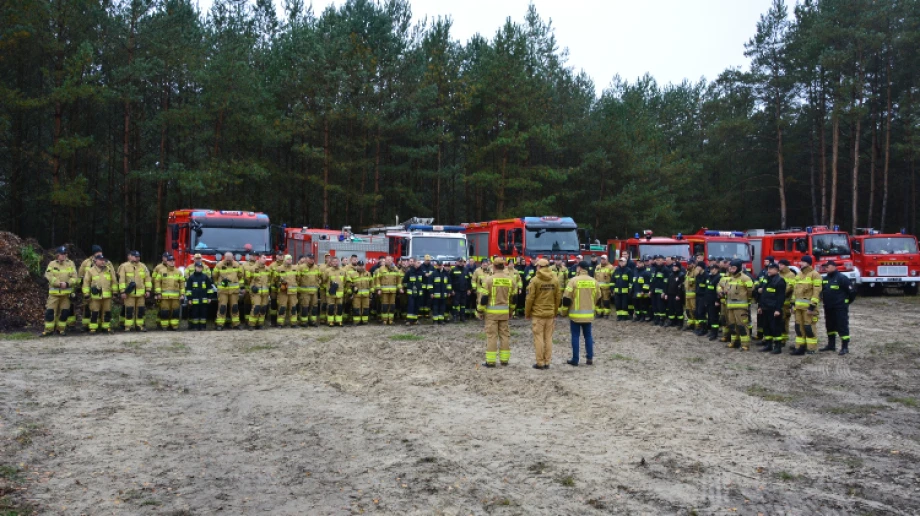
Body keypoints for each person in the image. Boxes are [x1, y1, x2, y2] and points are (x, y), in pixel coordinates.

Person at [524, 258, 561, 370]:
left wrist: (527, 313)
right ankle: (547, 361)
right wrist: (555, 312)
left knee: (539, 338)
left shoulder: (535, 280)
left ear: (539, 267)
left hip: (538, 314)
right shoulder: (555, 280)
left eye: (537, 266)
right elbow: (558, 296)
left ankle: (540, 363)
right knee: (548, 338)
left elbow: (530, 298)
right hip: (550, 314)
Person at [563, 261, 601, 366]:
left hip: (575, 315)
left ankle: (575, 360)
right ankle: (590, 358)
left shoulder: (573, 281)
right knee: (588, 336)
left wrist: (564, 311)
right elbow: (598, 297)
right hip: (588, 315)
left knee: (575, 336)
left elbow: (566, 298)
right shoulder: (594, 281)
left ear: (579, 268)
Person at [480, 257, 514, 367]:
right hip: (505, 313)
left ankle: (490, 361)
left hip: (491, 314)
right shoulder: (510, 280)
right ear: (504, 266)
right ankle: (504, 360)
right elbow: (514, 299)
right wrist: (511, 311)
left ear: (494, 266)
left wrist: (480, 311)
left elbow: (483, 298)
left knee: (492, 336)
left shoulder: (489, 280)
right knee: (504, 336)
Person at [819, 261, 855, 355]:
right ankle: (831, 345)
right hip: (828, 307)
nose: (826, 268)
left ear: (834, 267)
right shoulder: (825, 278)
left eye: (827, 266)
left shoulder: (842, 278)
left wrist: (846, 302)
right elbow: (822, 291)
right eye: (825, 267)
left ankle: (845, 347)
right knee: (829, 326)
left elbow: (852, 292)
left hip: (840, 307)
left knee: (842, 326)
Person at [78, 245, 116, 331]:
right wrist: (83, 288)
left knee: (105, 310)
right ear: (93, 254)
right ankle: (86, 326)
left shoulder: (108, 264)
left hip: (105, 291)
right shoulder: (86, 262)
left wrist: (114, 291)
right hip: (90, 290)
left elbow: (112, 277)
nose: (99, 254)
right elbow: (81, 275)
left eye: (100, 252)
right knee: (88, 309)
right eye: (97, 253)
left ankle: (102, 326)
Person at [42, 246, 78, 336]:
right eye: (62, 254)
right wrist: (59, 283)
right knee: (50, 312)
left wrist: (67, 283)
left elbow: (75, 277)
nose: (64, 256)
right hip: (54, 294)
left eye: (65, 254)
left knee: (64, 313)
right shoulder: (52, 264)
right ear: (57, 255)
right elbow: (48, 276)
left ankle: (61, 330)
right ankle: (48, 330)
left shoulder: (70, 264)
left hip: (66, 294)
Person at [791, 255, 822, 355]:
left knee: (809, 327)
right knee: (798, 327)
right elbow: (794, 291)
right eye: (801, 262)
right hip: (798, 307)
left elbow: (817, 292)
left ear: (808, 263)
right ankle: (800, 347)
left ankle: (811, 348)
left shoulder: (815, 275)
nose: (801, 263)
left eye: (803, 262)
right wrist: (792, 304)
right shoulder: (799, 274)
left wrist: (812, 306)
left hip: (808, 308)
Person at [723, 259, 754, 350]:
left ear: (739, 268)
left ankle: (745, 344)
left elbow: (750, 291)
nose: (731, 270)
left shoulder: (746, 278)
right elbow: (726, 289)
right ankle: (734, 342)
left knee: (742, 325)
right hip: (730, 306)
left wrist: (746, 300)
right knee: (732, 325)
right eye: (730, 268)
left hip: (741, 307)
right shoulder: (731, 278)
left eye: (733, 268)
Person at [118, 250, 152, 332]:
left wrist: (148, 290)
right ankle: (128, 327)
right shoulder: (124, 266)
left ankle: (139, 326)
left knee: (140, 311)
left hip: (141, 294)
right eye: (135, 256)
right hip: (129, 294)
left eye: (138, 256)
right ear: (131, 256)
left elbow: (147, 279)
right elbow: (121, 280)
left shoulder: (143, 267)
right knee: (129, 310)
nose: (137, 258)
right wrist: (122, 292)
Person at [757, 262, 787, 354]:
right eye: (768, 268)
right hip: (765, 308)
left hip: (774, 309)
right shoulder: (767, 279)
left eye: (771, 269)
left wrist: (778, 309)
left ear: (777, 270)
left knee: (776, 328)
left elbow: (781, 297)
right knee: (766, 327)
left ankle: (778, 347)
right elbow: (763, 295)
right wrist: (760, 306)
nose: (769, 270)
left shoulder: (780, 281)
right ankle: (768, 344)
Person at [212, 252, 244, 330]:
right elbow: (214, 276)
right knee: (222, 307)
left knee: (234, 307)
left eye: (230, 259)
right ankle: (220, 324)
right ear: (224, 257)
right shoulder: (219, 265)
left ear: (232, 257)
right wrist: (218, 285)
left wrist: (236, 283)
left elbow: (240, 275)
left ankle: (236, 324)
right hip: (223, 291)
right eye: (227, 259)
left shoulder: (237, 265)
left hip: (234, 291)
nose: (229, 261)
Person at [154, 254, 184, 331]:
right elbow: (157, 282)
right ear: (167, 262)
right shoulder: (161, 271)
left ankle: (174, 326)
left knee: (175, 311)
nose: (172, 262)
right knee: (164, 311)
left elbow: (182, 284)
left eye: (173, 261)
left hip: (175, 297)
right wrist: (158, 293)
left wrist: (182, 294)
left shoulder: (178, 272)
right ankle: (164, 326)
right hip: (164, 297)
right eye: (170, 261)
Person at [185, 262, 216, 330]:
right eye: (198, 267)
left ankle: (203, 327)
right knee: (195, 313)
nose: (199, 268)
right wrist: (189, 299)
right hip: (194, 301)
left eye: (201, 267)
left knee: (203, 314)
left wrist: (209, 297)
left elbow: (209, 288)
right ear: (195, 268)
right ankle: (195, 327)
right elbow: (188, 289)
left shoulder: (205, 277)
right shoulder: (191, 277)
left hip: (204, 300)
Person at [246, 254, 271, 329]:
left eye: (265, 258)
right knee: (256, 307)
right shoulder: (252, 269)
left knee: (263, 308)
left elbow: (269, 280)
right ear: (259, 258)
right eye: (263, 258)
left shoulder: (267, 269)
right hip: (255, 293)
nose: (265, 259)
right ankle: (251, 324)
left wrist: (267, 287)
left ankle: (260, 324)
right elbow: (247, 279)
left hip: (265, 293)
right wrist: (252, 286)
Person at [374, 256, 402, 325]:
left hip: (393, 292)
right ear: (385, 261)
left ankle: (391, 320)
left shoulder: (395, 269)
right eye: (387, 260)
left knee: (392, 306)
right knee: (385, 305)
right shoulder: (381, 269)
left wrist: (400, 288)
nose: (388, 261)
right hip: (384, 292)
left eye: (390, 260)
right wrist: (379, 289)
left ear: (392, 261)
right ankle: (384, 320)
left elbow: (399, 280)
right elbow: (377, 280)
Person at [298, 254, 322, 327]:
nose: (312, 260)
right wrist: (299, 290)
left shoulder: (316, 268)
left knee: (314, 307)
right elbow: (297, 279)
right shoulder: (301, 267)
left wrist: (318, 283)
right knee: (304, 307)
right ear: (306, 259)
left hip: (314, 292)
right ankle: (303, 322)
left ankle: (313, 321)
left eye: (312, 258)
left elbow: (319, 277)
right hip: (304, 292)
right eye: (310, 258)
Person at [323, 256, 347, 327]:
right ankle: (331, 321)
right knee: (331, 307)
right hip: (331, 293)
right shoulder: (327, 271)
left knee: (339, 307)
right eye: (333, 261)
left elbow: (345, 281)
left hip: (340, 293)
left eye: (336, 261)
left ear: (338, 262)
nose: (335, 263)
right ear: (331, 262)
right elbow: (324, 280)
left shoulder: (343, 271)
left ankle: (339, 321)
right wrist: (328, 288)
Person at [702, 262, 722, 340]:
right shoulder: (710, 277)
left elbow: (718, 291)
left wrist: (717, 300)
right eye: (710, 269)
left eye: (712, 269)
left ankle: (715, 333)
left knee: (714, 318)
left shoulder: (718, 277)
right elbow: (707, 289)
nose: (711, 270)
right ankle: (711, 331)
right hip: (709, 300)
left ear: (716, 269)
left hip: (714, 301)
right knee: (710, 317)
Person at [777, 259, 796, 343]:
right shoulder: (778, 274)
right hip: (777, 301)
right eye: (779, 265)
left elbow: (790, 287)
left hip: (785, 302)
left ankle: (784, 339)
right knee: (777, 320)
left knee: (784, 320)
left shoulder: (791, 275)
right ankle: (778, 336)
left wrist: (779, 294)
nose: (779, 266)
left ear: (786, 265)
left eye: (781, 265)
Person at [349, 260, 373, 325]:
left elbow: (371, 284)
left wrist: (371, 294)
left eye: (362, 266)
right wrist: (352, 290)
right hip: (356, 295)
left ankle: (365, 321)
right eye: (359, 266)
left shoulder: (368, 274)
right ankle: (357, 321)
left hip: (366, 296)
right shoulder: (352, 274)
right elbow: (349, 284)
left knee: (366, 308)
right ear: (357, 266)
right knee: (356, 308)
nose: (361, 267)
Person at [449, 258, 472, 323]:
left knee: (463, 304)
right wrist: (451, 290)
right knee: (455, 305)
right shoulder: (453, 270)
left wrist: (469, 289)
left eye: (462, 262)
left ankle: (462, 317)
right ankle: (455, 317)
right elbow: (450, 281)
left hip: (464, 290)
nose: (461, 263)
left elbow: (468, 280)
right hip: (456, 291)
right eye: (460, 262)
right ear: (457, 262)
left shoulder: (466, 270)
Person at [663, 261, 685, 328]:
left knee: (678, 309)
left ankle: (680, 322)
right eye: (673, 266)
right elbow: (667, 285)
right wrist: (666, 294)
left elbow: (681, 287)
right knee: (671, 309)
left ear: (679, 267)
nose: (674, 268)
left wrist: (678, 295)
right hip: (670, 295)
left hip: (677, 295)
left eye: (676, 267)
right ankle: (672, 321)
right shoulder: (671, 275)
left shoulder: (681, 275)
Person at [612, 256, 633, 321]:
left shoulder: (628, 270)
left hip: (625, 292)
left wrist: (630, 289)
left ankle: (624, 316)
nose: (621, 263)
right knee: (618, 304)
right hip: (617, 291)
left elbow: (631, 281)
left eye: (622, 261)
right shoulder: (616, 270)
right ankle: (619, 316)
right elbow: (613, 280)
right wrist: (612, 289)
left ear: (625, 262)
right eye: (620, 261)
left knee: (624, 305)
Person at [631, 257, 651, 322]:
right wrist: (632, 290)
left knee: (643, 306)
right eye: (637, 263)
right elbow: (634, 282)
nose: (638, 264)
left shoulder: (646, 273)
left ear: (643, 264)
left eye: (640, 263)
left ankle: (643, 317)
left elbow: (647, 283)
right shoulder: (635, 271)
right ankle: (638, 316)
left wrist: (643, 291)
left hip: (642, 293)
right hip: (635, 292)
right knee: (636, 306)